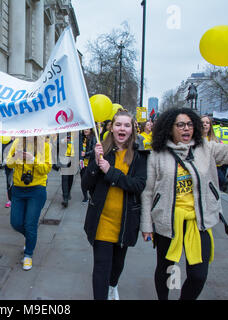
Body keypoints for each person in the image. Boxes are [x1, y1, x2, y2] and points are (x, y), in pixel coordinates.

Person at [140, 107, 228, 300]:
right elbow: (148, 192)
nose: (186, 129)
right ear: (170, 128)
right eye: (180, 125)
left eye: (190, 124)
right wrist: (147, 226)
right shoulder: (157, 154)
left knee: (198, 276)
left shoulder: (206, 148)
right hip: (168, 222)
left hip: (199, 221)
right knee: (165, 270)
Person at [82, 110, 149, 300]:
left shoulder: (139, 155)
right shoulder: (102, 150)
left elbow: (138, 185)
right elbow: (86, 185)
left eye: (127, 125)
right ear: (111, 128)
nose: (122, 128)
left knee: (117, 266)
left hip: (126, 222)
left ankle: (113, 285)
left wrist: (111, 172)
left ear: (132, 129)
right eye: (118, 124)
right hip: (102, 220)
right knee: (101, 267)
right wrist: (95, 164)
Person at [6, 136, 52, 270]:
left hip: (37, 190)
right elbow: (9, 163)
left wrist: (32, 159)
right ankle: (30, 238)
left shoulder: (45, 145)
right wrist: (16, 157)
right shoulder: (17, 142)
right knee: (16, 223)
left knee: (30, 224)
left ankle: (28, 254)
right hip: (18, 189)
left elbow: (46, 169)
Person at [200, 115, 227, 191]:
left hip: (213, 169)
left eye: (207, 123)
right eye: (202, 122)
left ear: (210, 126)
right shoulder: (193, 140)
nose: (205, 124)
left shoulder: (215, 140)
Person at [79, 128, 95, 202]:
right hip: (82, 163)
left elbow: (94, 150)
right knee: (83, 180)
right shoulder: (81, 138)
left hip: (90, 163)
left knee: (91, 180)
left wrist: (86, 153)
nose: (85, 130)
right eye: (84, 129)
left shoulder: (93, 138)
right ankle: (85, 197)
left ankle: (92, 195)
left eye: (87, 129)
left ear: (91, 130)